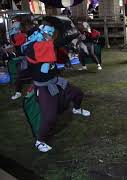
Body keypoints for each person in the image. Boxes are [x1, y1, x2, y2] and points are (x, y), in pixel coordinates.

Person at [21, 24, 91, 152]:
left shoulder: (44, 44)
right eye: (46, 33)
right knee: (49, 117)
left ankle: (76, 109)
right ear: (37, 34)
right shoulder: (31, 47)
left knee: (78, 93)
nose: (49, 36)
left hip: (55, 81)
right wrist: (74, 33)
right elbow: (57, 43)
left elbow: (57, 48)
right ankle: (40, 141)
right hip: (44, 87)